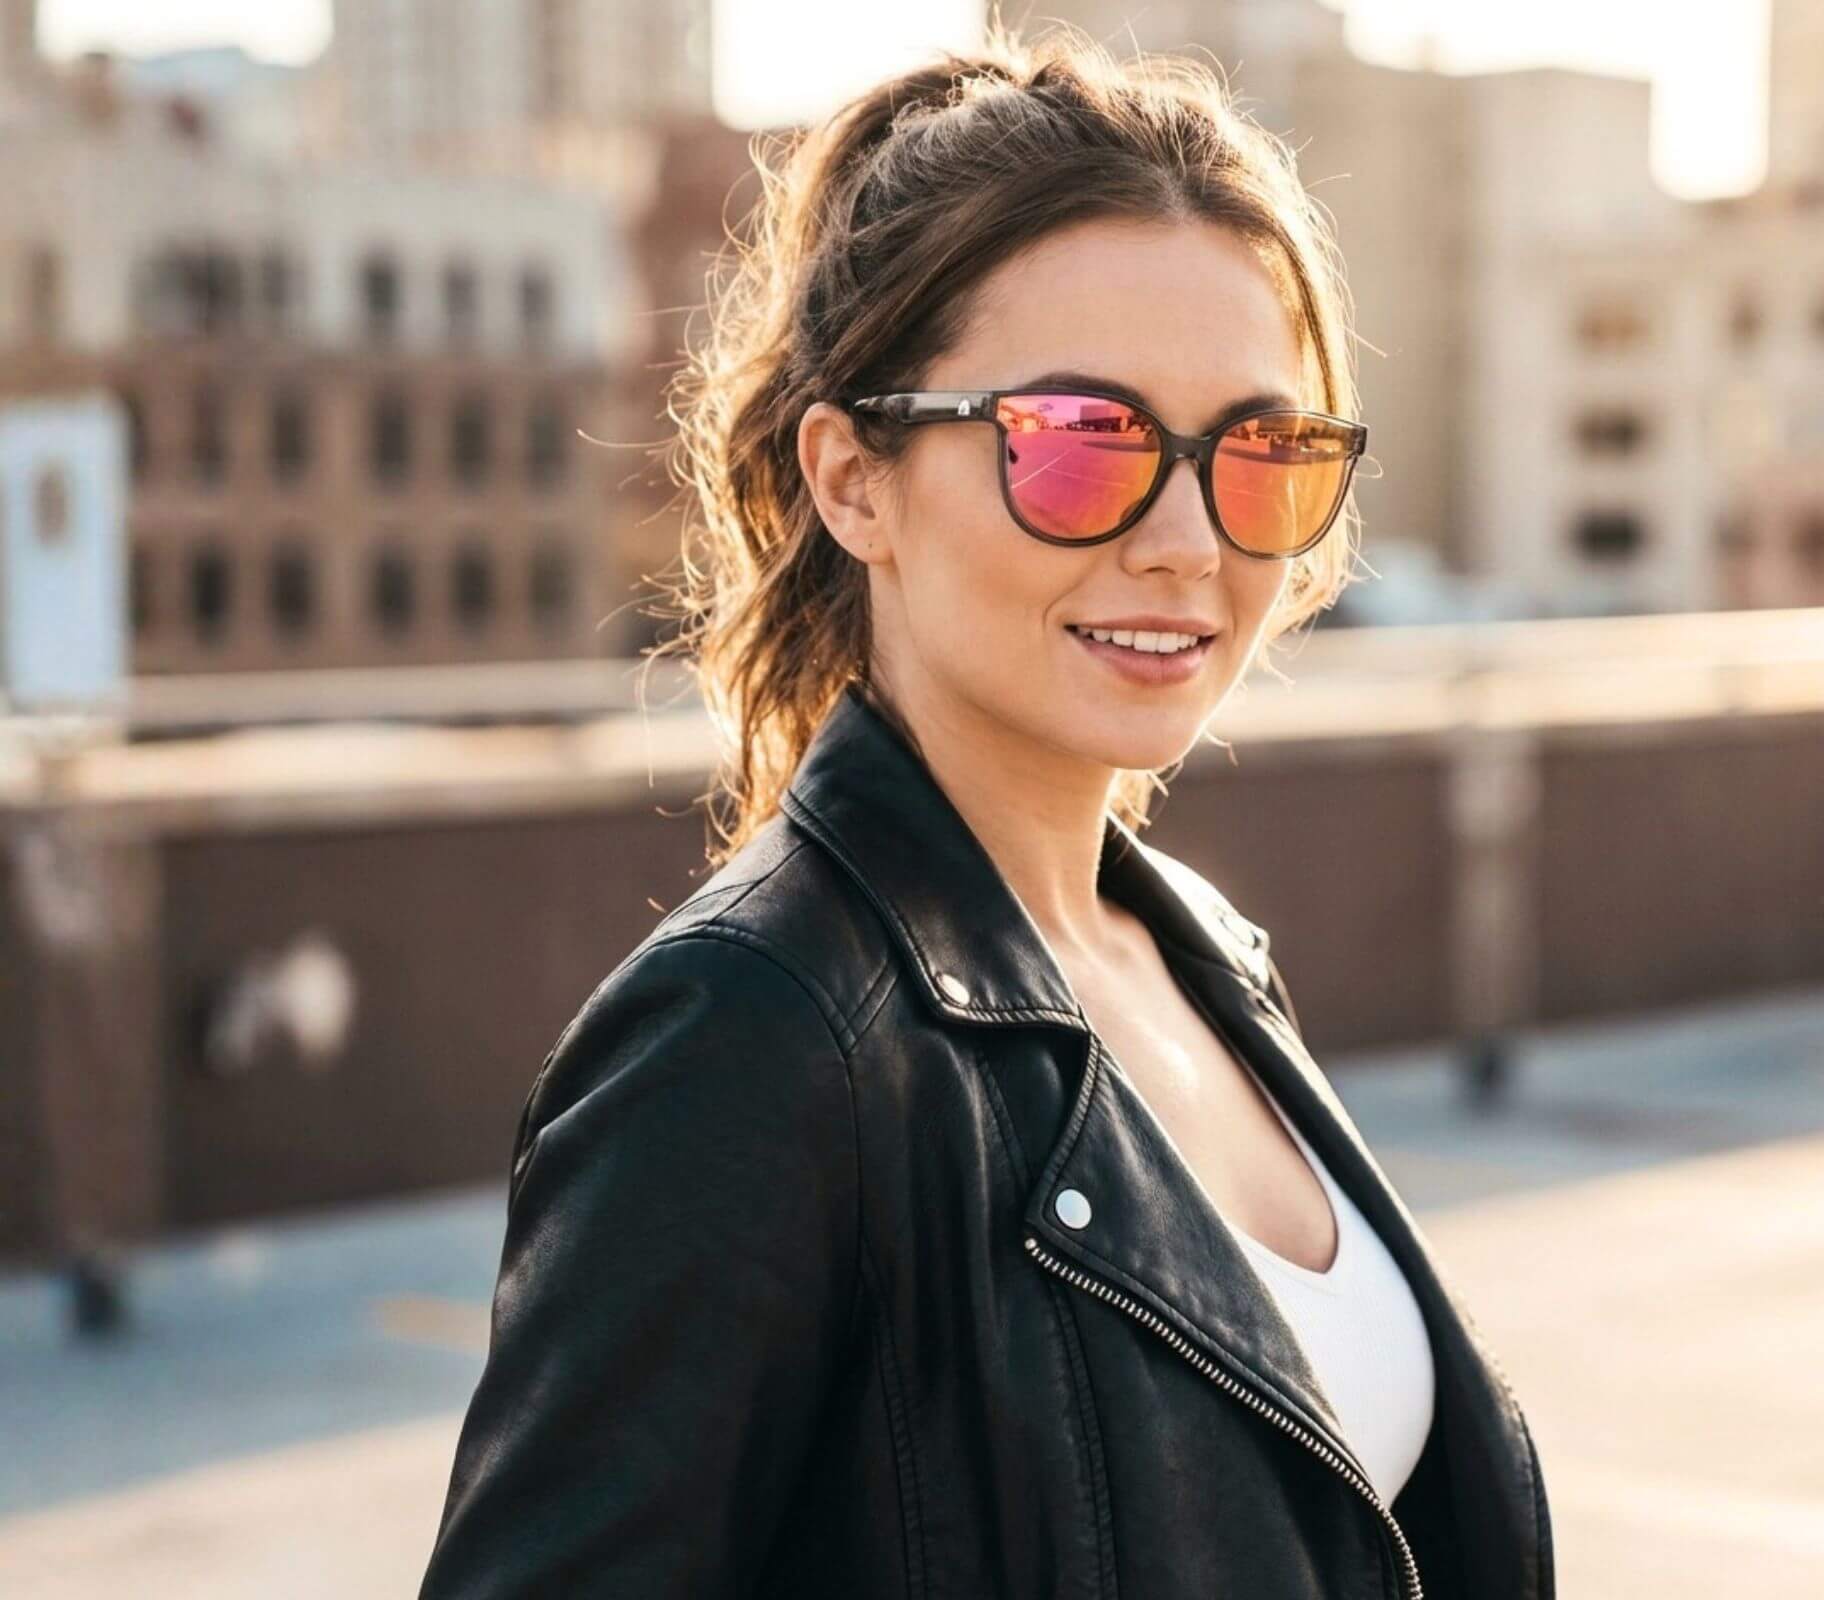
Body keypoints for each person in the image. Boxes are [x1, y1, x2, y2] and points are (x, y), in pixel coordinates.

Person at [418, 22, 1553, 1600]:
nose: (1185, 542)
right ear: (853, 479)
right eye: (1081, 444)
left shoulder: (1198, 952)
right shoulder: (749, 1037)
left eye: (1259, 452)